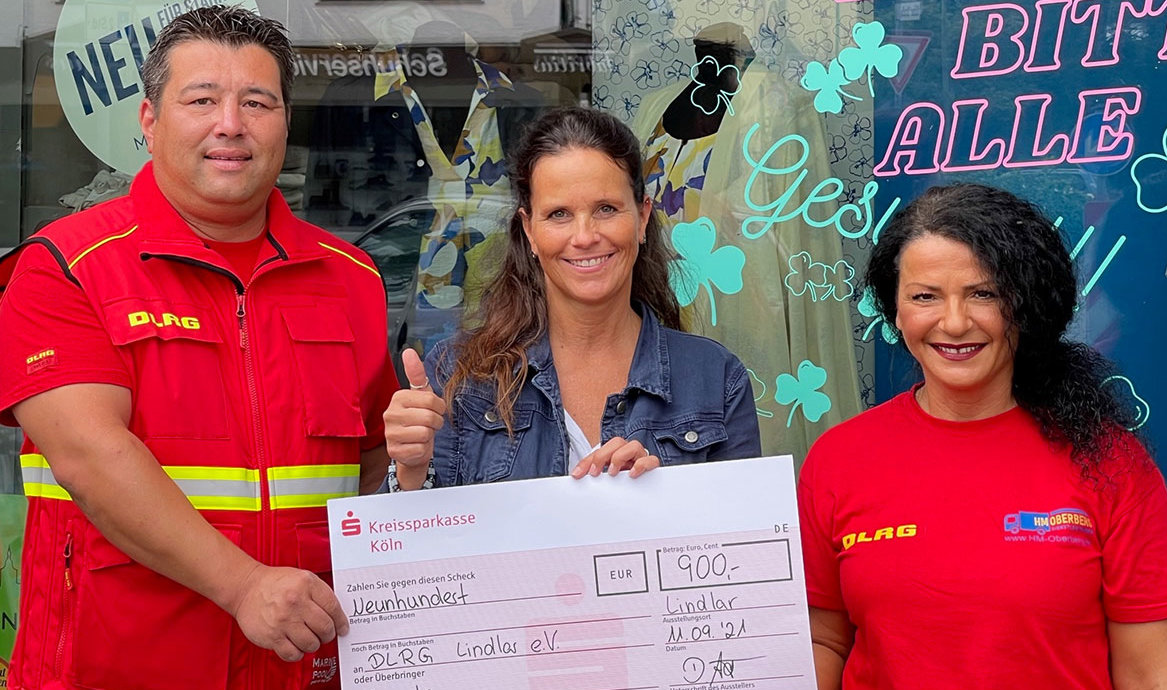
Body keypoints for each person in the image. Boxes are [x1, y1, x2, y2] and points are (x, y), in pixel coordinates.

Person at [0, 6, 396, 689]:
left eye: (257, 102)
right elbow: (90, 457)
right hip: (115, 668)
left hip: (298, 664)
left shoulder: (350, 277)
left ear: (285, 123)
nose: (231, 124)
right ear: (149, 121)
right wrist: (244, 585)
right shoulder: (66, 265)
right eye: (202, 100)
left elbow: (366, 465)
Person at [799, 183, 1167, 689]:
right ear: (896, 310)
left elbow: (1147, 672)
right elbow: (824, 642)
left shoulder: (1109, 461)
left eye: (983, 294)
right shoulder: (839, 459)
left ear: (1026, 305)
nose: (954, 323)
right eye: (925, 296)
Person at [383, 106, 761, 490]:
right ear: (529, 231)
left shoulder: (716, 380)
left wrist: (659, 497)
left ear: (643, 218)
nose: (584, 236)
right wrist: (410, 470)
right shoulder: (459, 376)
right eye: (559, 214)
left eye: (606, 209)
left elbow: (748, 525)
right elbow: (414, 527)